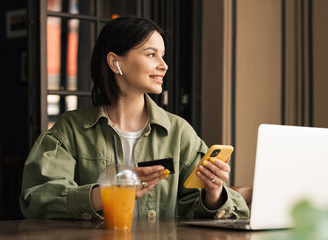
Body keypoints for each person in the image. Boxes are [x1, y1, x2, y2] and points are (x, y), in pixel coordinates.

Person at [19, 16, 249, 220]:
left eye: (163, 55)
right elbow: (37, 198)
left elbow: (205, 209)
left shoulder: (179, 132)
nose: (164, 65)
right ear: (114, 62)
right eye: (151, 54)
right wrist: (107, 194)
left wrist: (213, 191)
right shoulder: (69, 131)